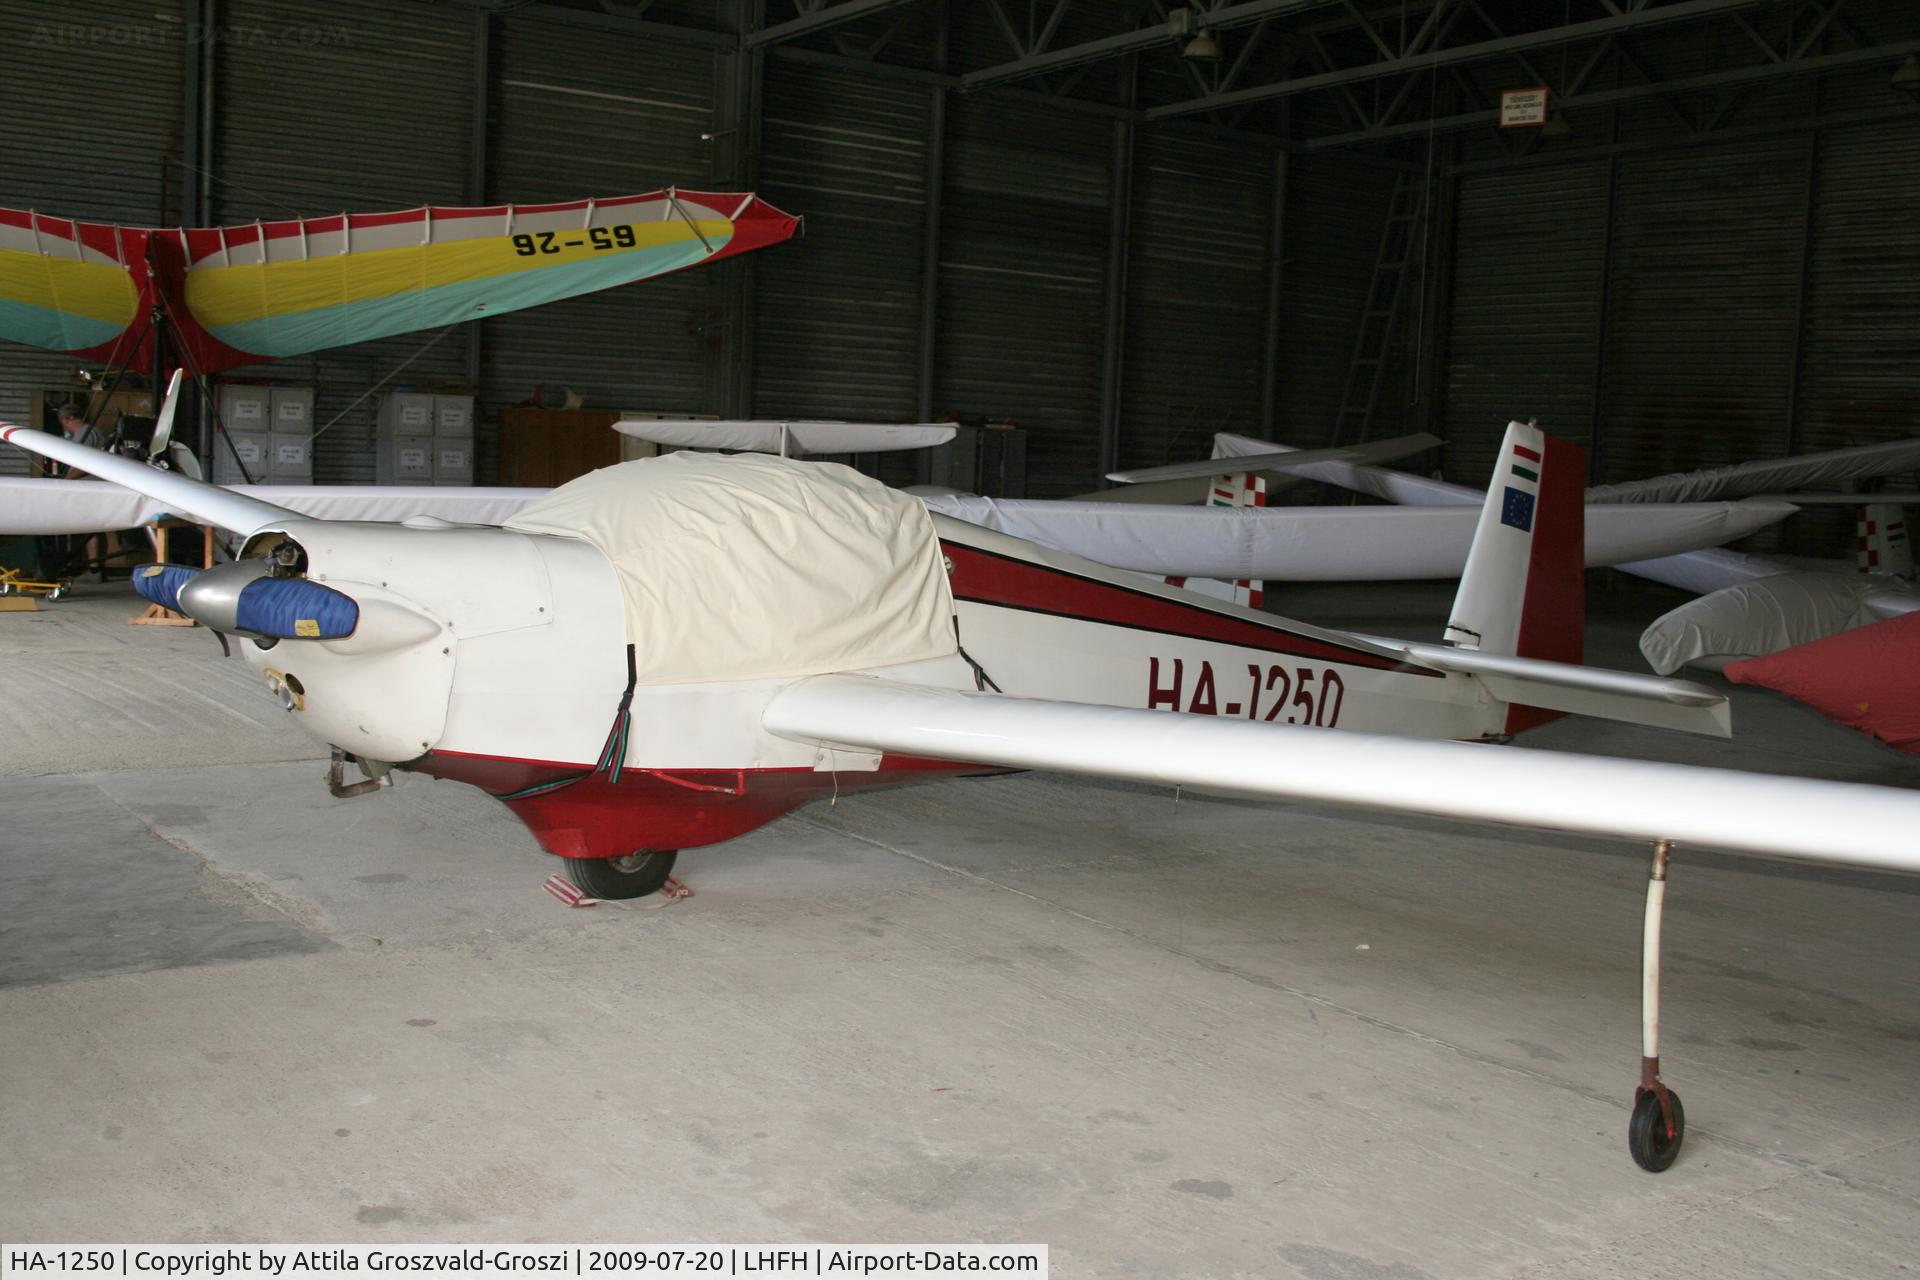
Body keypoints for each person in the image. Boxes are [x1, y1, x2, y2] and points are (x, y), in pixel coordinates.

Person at [53, 402, 114, 579]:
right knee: (95, 526)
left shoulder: (83, 434)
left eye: (63, 422)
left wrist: (66, 480)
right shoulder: (95, 431)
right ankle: (95, 567)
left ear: (67, 420)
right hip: (99, 484)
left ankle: (94, 567)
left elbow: (84, 464)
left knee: (89, 525)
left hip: (91, 484)